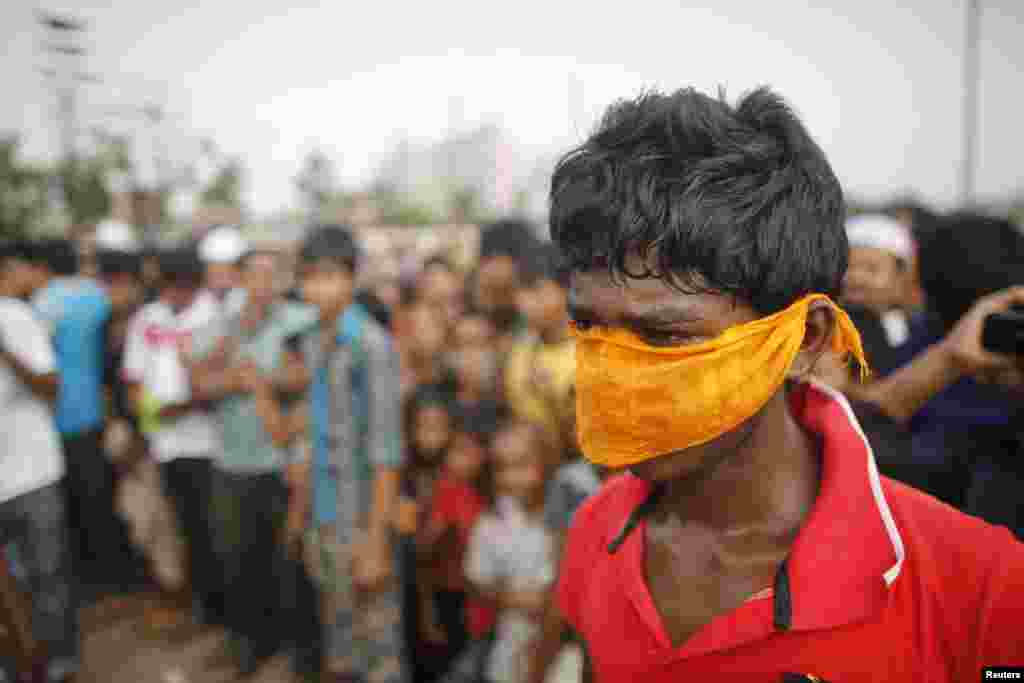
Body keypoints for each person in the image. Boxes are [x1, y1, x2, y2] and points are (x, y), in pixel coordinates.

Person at [549, 86, 1024, 680]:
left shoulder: (982, 592)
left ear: (805, 339)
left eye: (666, 338)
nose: (614, 374)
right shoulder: (598, 530)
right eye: (589, 326)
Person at [188, 248, 314, 676]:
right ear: (239, 279)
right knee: (239, 559)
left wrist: (260, 380)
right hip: (231, 463)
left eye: (271, 273)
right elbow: (198, 383)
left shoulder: (301, 319)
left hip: (285, 462)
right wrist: (234, 370)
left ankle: (291, 645)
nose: (263, 282)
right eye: (254, 274)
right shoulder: (221, 325)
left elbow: (305, 376)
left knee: (288, 557)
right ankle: (249, 643)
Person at [296, 224, 408, 683]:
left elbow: (386, 452)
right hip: (324, 517)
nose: (320, 288)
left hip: (363, 520)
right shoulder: (311, 341)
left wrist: (376, 542)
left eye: (331, 276)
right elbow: (312, 435)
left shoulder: (371, 346)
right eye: (311, 277)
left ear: (351, 278)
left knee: (379, 652)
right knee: (340, 645)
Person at [32, 239, 140, 602]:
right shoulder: (96, 297)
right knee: (100, 496)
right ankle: (116, 574)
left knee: (72, 503)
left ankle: (90, 577)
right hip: (93, 412)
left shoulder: (37, 304)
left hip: (52, 419)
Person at [121, 247, 224, 626]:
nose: (176, 296)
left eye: (184, 288)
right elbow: (133, 379)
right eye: (170, 288)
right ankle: (204, 604)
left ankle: (222, 606)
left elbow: (218, 382)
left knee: (215, 527)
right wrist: (152, 417)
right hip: (166, 445)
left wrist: (187, 405)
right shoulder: (148, 319)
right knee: (186, 528)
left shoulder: (215, 316)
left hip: (211, 444)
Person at [0, 243, 78, 683]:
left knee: (48, 575)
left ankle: (61, 664)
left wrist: (6, 352)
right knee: (15, 588)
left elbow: (51, 384)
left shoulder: (13, 316)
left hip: (32, 472)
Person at [465, 421, 555, 683]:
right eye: (503, 468)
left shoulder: (564, 515)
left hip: (561, 654)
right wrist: (517, 599)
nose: (512, 477)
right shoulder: (491, 523)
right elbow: (478, 582)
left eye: (522, 465)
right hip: (508, 652)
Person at [418, 404, 498, 683]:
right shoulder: (447, 490)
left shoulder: (490, 494)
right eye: (454, 451)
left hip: (480, 603)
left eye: (466, 451)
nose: (456, 460)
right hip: (451, 598)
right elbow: (425, 552)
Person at [504, 243, 575, 462]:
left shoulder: (593, 353)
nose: (524, 302)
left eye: (535, 290)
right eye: (520, 291)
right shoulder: (519, 352)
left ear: (567, 290)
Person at [841, 213, 915, 374]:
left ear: (900, 277)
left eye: (871, 269)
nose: (857, 278)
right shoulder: (825, 325)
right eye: (849, 266)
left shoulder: (909, 330)